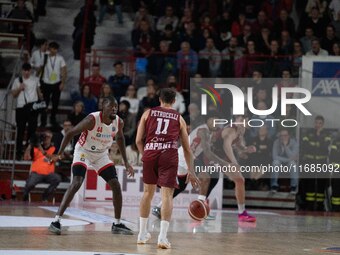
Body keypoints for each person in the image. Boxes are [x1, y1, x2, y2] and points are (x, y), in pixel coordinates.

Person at [48, 96, 134, 235]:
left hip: (101, 154)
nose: (114, 109)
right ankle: (56, 220)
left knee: (116, 185)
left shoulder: (119, 122)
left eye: (116, 107)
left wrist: (126, 162)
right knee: (77, 182)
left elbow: (120, 138)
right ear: (103, 108)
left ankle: (117, 224)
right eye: (111, 107)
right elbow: (70, 133)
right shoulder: (92, 120)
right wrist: (59, 153)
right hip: (83, 151)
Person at [135, 88, 200, 249]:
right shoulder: (179, 118)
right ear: (174, 101)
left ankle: (142, 233)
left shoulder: (148, 113)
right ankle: (162, 238)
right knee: (167, 196)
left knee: (147, 193)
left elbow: (138, 140)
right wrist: (191, 171)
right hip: (168, 155)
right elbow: (187, 149)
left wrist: (145, 155)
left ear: (160, 99)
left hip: (150, 152)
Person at [152, 115, 230, 220]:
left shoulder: (209, 133)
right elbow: (207, 152)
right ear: (207, 120)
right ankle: (201, 208)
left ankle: (158, 207)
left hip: (184, 157)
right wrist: (224, 163)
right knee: (205, 178)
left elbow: (203, 151)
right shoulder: (204, 131)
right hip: (185, 157)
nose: (216, 123)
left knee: (182, 186)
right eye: (214, 120)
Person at [212, 115, 257, 222]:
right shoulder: (231, 130)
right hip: (212, 155)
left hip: (221, 156)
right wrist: (234, 162)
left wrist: (246, 149)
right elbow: (226, 146)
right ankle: (241, 212)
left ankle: (242, 212)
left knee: (240, 180)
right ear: (235, 121)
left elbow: (238, 145)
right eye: (241, 120)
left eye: (245, 120)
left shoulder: (241, 131)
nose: (243, 122)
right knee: (209, 180)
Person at [11, 63, 43, 160]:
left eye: (28, 70)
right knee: (20, 130)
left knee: (32, 130)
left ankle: (29, 151)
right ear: (22, 70)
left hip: (33, 107)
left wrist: (42, 100)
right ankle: (19, 152)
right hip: (21, 107)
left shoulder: (35, 79)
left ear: (30, 71)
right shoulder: (17, 80)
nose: (26, 72)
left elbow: (39, 92)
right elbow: (13, 94)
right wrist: (19, 88)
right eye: (24, 70)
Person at [22, 130, 61, 201]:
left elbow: (54, 159)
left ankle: (45, 195)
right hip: (36, 173)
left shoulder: (54, 148)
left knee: (57, 179)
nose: (46, 138)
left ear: (51, 138)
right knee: (30, 184)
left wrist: (42, 150)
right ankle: (25, 196)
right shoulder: (35, 148)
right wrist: (30, 144)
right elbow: (26, 158)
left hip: (49, 174)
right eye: (44, 137)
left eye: (48, 137)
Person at [271, 129, 299, 194]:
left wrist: (285, 146)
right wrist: (289, 159)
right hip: (280, 161)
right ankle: (274, 186)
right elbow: (274, 156)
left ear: (288, 136)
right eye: (281, 135)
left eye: (285, 135)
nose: (283, 137)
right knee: (275, 163)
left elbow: (292, 155)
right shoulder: (276, 142)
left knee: (293, 164)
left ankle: (293, 187)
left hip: (289, 162)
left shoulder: (294, 143)